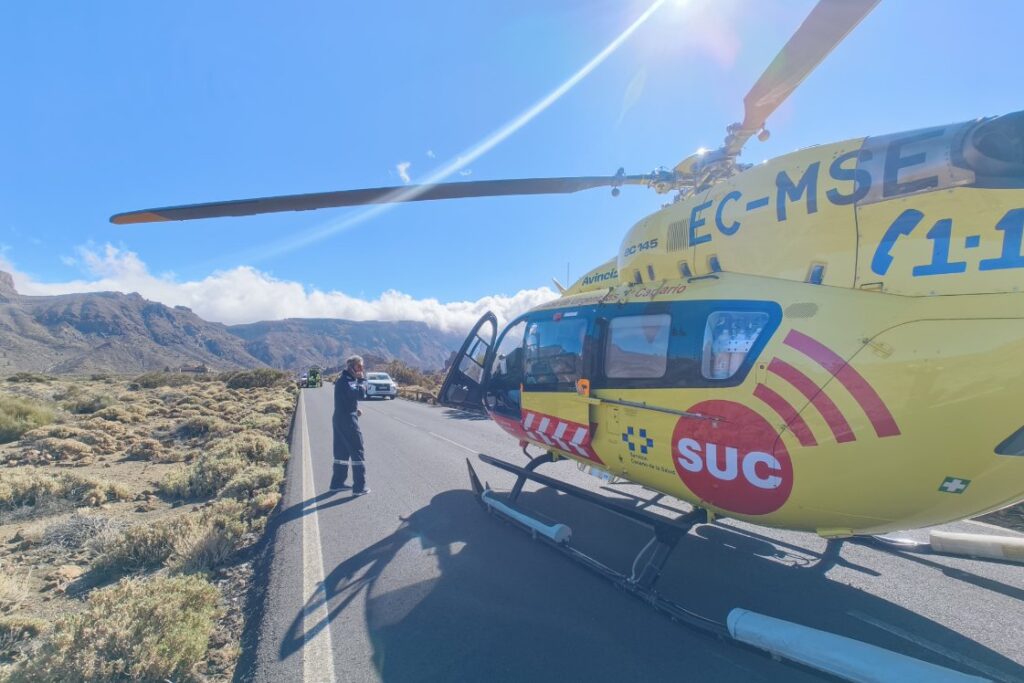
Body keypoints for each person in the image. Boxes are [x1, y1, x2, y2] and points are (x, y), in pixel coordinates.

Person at [331, 355, 369, 495]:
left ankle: (337, 483)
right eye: (359, 367)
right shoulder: (349, 380)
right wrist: (362, 380)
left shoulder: (345, 379)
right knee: (357, 450)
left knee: (341, 452)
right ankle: (360, 487)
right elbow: (359, 394)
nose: (361, 369)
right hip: (347, 421)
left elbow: (347, 398)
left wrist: (354, 409)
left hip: (341, 418)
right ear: (351, 367)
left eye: (362, 367)